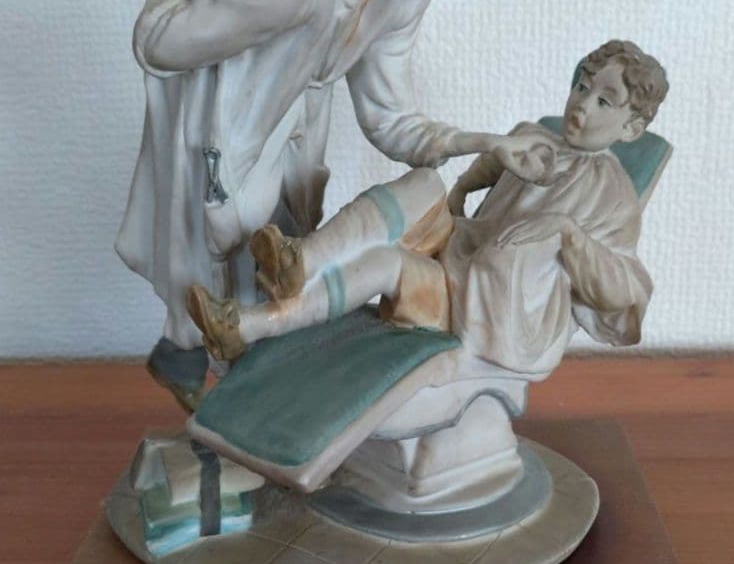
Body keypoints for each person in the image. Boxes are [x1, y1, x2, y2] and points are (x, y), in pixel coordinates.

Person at [85, 0, 510, 410]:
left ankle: (237, 380)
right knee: (220, 237)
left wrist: (484, 144)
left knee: (283, 243)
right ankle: (199, 374)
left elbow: (388, 116)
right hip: (225, 103)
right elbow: (166, 45)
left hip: (292, 114)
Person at [187, 40, 668, 379]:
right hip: (459, 247)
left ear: (631, 128)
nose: (582, 105)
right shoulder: (534, 136)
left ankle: (244, 326)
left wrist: (567, 233)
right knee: (424, 181)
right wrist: (462, 188)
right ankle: (299, 261)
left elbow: (625, 292)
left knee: (384, 264)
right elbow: (489, 166)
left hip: (482, 305)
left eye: (605, 101)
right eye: (581, 87)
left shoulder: (613, 196)